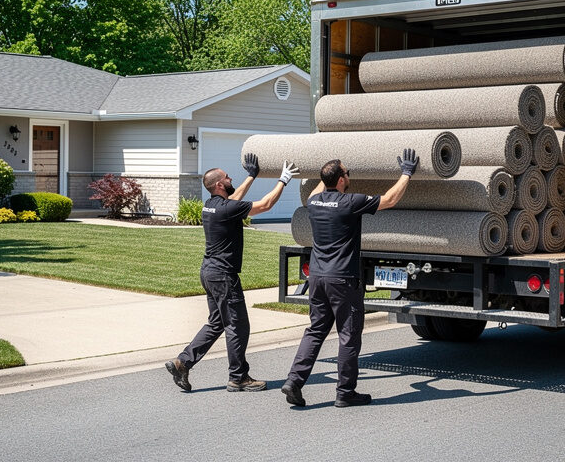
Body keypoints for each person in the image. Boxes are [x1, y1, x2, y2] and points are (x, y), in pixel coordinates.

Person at [281, 148, 417, 408]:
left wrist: (329, 172)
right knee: (348, 335)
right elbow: (389, 200)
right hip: (343, 279)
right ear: (342, 179)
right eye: (347, 173)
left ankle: (294, 381)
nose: (349, 176)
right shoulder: (350, 202)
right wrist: (406, 173)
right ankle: (345, 393)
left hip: (318, 279)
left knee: (315, 331)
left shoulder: (314, 202)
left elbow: (320, 188)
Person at [166, 153, 299, 393]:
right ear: (219, 184)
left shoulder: (212, 206)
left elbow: (234, 199)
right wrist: (284, 180)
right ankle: (238, 377)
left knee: (217, 322)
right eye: (227, 178)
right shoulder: (227, 209)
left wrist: (252, 176)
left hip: (209, 272)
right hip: (224, 276)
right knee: (238, 326)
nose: (230, 179)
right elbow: (265, 205)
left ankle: (182, 362)